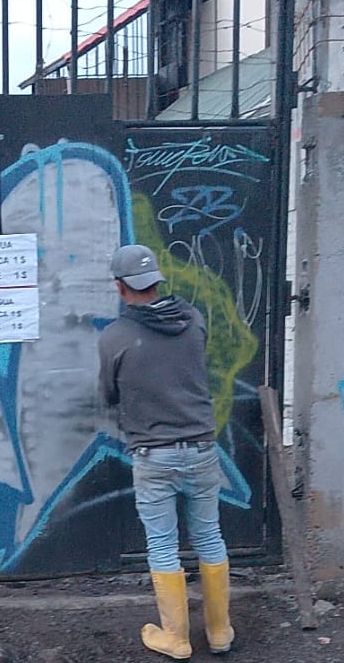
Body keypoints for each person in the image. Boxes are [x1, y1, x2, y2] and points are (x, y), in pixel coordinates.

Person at [97, 244, 233, 659]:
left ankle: (176, 638)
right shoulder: (193, 320)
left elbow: (108, 396)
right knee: (209, 535)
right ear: (156, 280)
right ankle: (219, 632)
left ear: (121, 289)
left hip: (153, 456)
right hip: (201, 447)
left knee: (162, 544)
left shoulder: (115, 337)